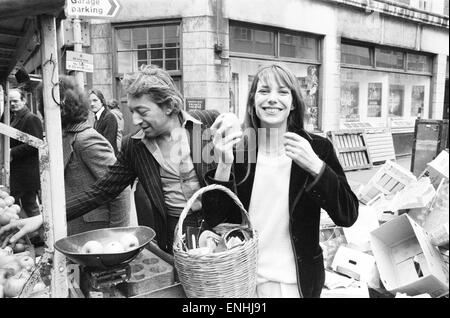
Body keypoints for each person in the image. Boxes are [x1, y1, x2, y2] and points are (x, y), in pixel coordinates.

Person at [0, 65, 240, 252]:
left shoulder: (208, 124)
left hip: (222, 232)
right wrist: (44, 218)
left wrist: (236, 131)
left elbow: (244, 173)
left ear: (168, 106)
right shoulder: (134, 147)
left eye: (142, 111)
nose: (134, 120)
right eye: (132, 110)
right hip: (175, 235)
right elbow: (100, 191)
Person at [206, 64, 359, 298]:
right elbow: (217, 223)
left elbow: (347, 214)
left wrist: (316, 167)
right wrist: (224, 164)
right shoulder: (240, 151)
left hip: (295, 284)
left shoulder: (317, 148)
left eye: (283, 92)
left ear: (294, 102)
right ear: (252, 101)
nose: (272, 99)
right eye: (264, 91)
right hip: (244, 281)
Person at [56, 76, 130, 235]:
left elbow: (120, 189)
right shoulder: (67, 136)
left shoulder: (85, 139)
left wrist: (118, 238)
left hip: (96, 233)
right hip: (76, 228)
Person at [8, 88, 43, 218]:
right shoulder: (12, 117)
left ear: (24, 101)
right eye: (10, 101)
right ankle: (32, 235)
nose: (12, 104)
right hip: (19, 172)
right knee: (18, 205)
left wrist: (12, 152)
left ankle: (40, 236)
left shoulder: (31, 118)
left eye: (15, 101)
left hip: (27, 173)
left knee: (30, 205)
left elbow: (36, 145)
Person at [89, 89, 119, 154]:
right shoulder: (97, 118)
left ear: (102, 101)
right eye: (90, 101)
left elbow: (108, 144)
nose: (92, 104)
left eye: (95, 100)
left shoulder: (109, 117)